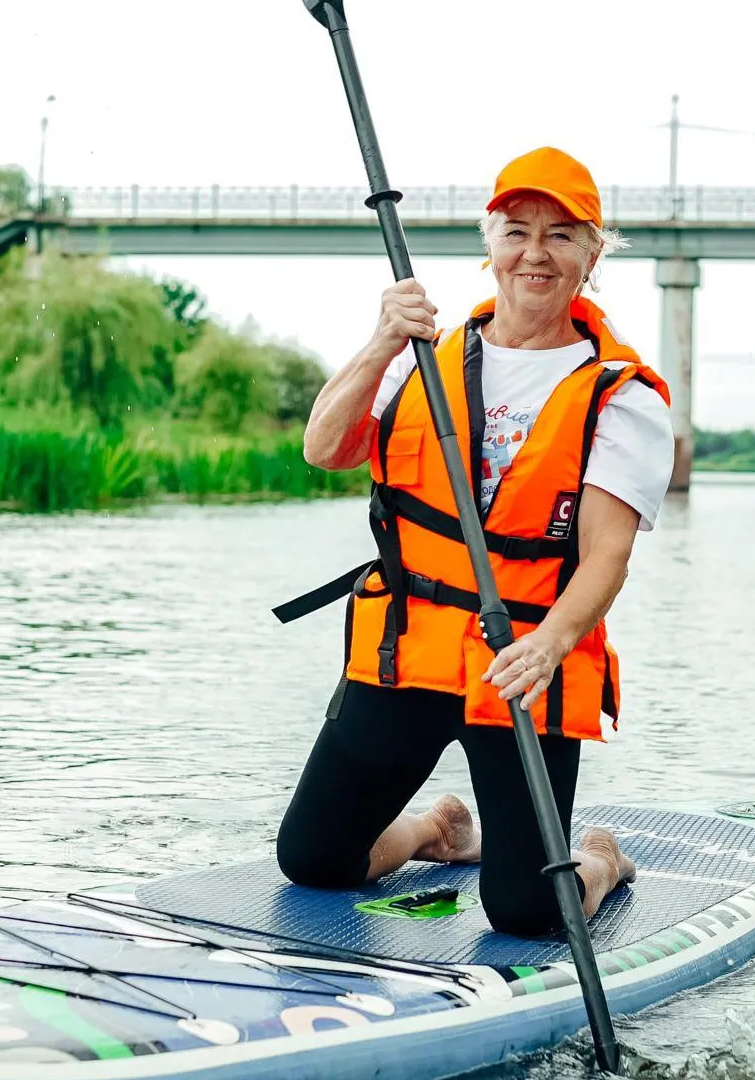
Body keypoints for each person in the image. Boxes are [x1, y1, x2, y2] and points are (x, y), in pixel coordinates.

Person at [273, 148, 675, 936]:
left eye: (561, 236)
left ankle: (599, 857)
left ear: (594, 253)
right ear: (488, 243)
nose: (535, 253)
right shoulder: (420, 356)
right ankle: (438, 831)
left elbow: (606, 554)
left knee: (529, 911)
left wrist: (555, 641)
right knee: (314, 857)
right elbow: (324, 448)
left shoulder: (621, 397)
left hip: (522, 664)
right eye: (517, 231)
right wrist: (382, 339)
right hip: (406, 651)